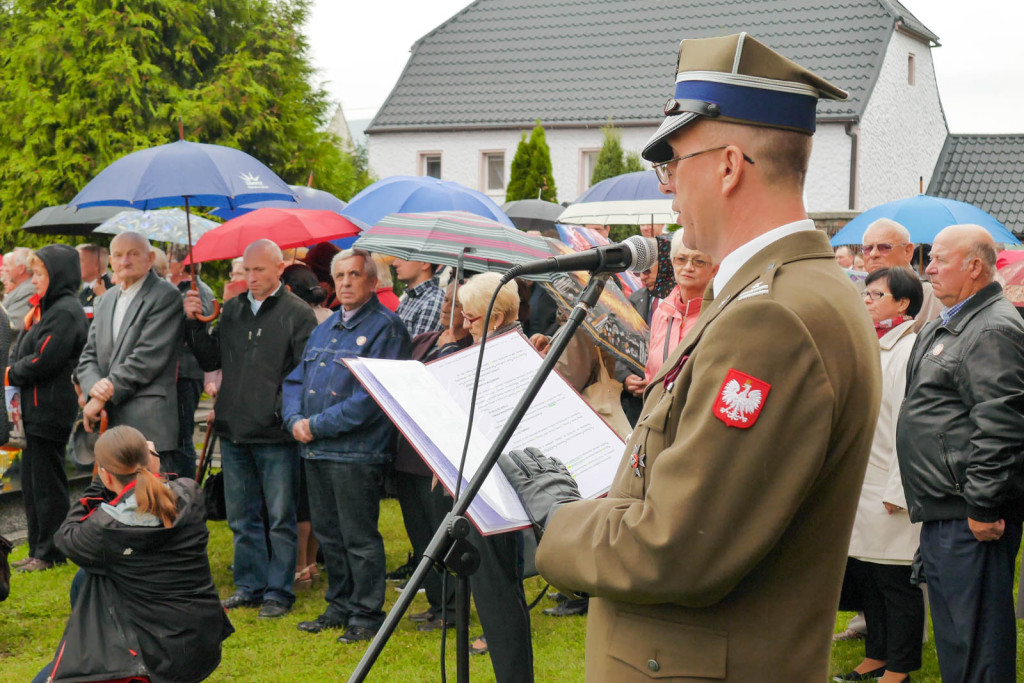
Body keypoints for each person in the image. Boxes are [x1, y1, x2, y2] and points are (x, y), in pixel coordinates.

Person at [499, 33, 881, 682]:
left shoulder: (774, 316)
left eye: (674, 163)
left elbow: (676, 547)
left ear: (729, 166)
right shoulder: (785, 293)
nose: (669, 187)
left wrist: (557, 519)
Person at [895, 224, 1024, 683]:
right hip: (948, 510)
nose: (926, 268)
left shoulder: (991, 328)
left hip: (971, 515)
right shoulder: (954, 321)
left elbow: (1002, 422)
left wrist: (984, 504)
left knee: (977, 648)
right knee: (958, 643)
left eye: (938, 259)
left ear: (974, 267)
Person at [33, 426, 233, 683]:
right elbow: (163, 489)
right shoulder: (190, 495)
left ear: (106, 475)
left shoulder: (105, 529)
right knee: (83, 579)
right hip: (201, 637)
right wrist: (150, 471)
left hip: (155, 654)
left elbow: (66, 536)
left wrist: (98, 483)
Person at [283, 248, 411, 644]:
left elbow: (374, 399)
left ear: (372, 281)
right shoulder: (325, 327)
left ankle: (366, 614)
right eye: (339, 276)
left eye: (355, 275)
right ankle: (338, 606)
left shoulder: (386, 328)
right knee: (330, 535)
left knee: (358, 537)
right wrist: (292, 421)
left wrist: (316, 425)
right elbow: (295, 380)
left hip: (357, 452)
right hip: (316, 449)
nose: (346, 283)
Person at [186, 239, 317, 619]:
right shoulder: (233, 309)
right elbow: (211, 357)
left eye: (259, 269)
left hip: (275, 434)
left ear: (280, 268)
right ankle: (250, 585)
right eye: (246, 270)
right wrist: (194, 325)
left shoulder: (297, 314)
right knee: (242, 516)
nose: (251, 277)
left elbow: (301, 373)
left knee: (280, 516)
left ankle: (278, 591)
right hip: (234, 428)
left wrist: (278, 412)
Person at [835, 267, 924, 683]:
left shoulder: (909, 350)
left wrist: (899, 489)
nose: (866, 300)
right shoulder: (872, 343)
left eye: (876, 295)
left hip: (891, 484)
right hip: (861, 483)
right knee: (869, 576)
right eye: (865, 294)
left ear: (903, 303)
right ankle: (876, 655)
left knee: (895, 581)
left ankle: (900, 666)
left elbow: (908, 427)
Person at [455, 272, 535, 681]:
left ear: (497, 317)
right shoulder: (486, 350)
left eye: (470, 318)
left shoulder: (511, 357)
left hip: (497, 489)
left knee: (499, 591)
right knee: (488, 589)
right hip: (474, 485)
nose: (463, 324)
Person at [393, 280, 471, 631]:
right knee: (420, 534)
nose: (446, 304)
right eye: (446, 298)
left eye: (456, 301)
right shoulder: (424, 340)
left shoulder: (469, 348)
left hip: (440, 459)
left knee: (443, 535)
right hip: (408, 451)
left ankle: (453, 610)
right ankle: (436, 601)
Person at [7, 245, 88, 572]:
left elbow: (44, 359)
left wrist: (10, 373)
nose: (36, 280)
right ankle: (37, 545)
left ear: (58, 276)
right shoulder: (46, 308)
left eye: (41, 273)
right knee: (31, 482)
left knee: (47, 484)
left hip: (50, 407)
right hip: (33, 408)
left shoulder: (66, 311)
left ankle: (51, 551)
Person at [75, 231, 184, 471]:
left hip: (147, 424)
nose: (125, 261)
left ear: (150, 258)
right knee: (113, 504)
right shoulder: (104, 300)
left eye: (133, 254)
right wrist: (93, 387)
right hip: (109, 423)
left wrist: (102, 395)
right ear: (110, 262)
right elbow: (88, 356)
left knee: (148, 504)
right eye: (119, 255)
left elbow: (147, 358)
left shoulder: (166, 296)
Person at [644, 229, 716, 384]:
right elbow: (651, 372)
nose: (688, 267)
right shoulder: (662, 312)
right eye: (681, 259)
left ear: (714, 270)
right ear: (672, 263)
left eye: (699, 261)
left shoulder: (718, 314)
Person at [166, 244, 215, 479]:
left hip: (187, 371)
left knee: (182, 436)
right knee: (172, 435)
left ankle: (187, 488)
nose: (167, 263)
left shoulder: (198, 289)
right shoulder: (172, 287)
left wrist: (187, 319)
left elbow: (200, 329)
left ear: (180, 262)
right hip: (172, 371)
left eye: (170, 258)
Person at [861, 218, 942, 331]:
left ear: (908, 251)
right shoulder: (857, 292)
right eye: (867, 249)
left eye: (884, 247)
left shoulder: (929, 295)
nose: (874, 254)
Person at [393, 257, 444, 337]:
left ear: (425, 263)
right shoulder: (409, 298)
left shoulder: (432, 302)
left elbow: (418, 348)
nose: (395, 263)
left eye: (404, 258)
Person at [75, 243, 112, 322]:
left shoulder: (110, 289)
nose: (75, 265)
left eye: (79, 261)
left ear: (96, 265)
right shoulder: (85, 290)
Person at [4, 247, 35, 330]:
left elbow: (13, 325)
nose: (6, 269)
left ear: (21, 269)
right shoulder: (23, 288)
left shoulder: (28, 290)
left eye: (10, 264)